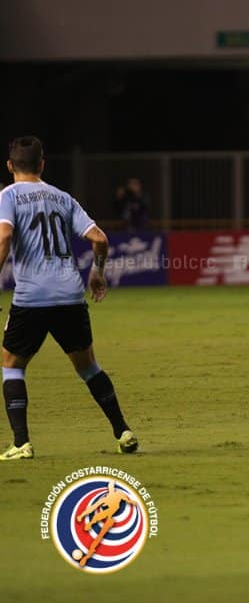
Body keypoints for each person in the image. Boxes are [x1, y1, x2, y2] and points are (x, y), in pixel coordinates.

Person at [0, 136, 138, 461]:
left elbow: (4, 236)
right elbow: (99, 239)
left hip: (32, 296)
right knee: (88, 366)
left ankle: (21, 442)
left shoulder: (8, 196)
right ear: (42, 164)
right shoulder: (63, 198)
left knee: (12, 365)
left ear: (9, 166)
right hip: (70, 294)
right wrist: (98, 272)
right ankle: (123, 431)